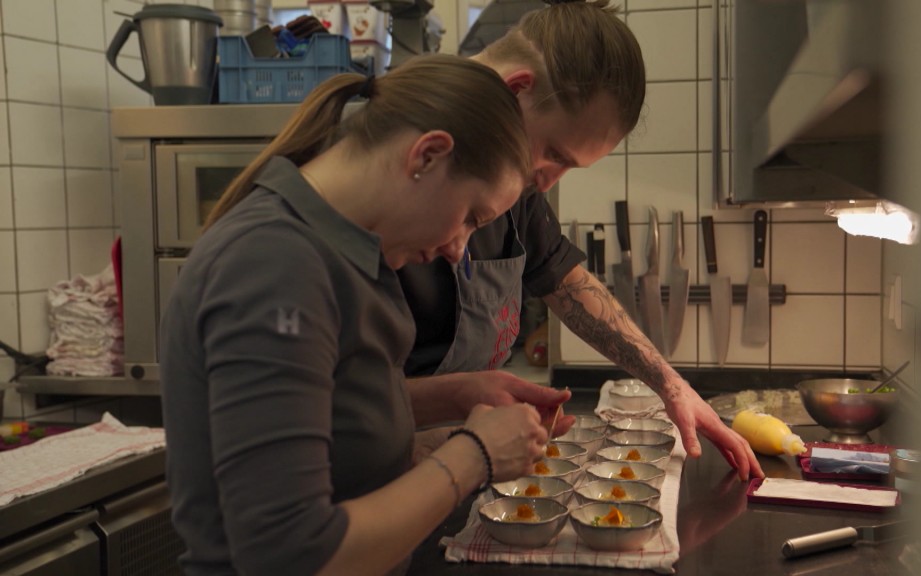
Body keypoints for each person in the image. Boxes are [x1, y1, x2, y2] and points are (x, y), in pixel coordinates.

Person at [159, 55, 554, 576]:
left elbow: (323, 408)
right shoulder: (272, 265)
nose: (461, 250)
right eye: (470, 218)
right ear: (428, 155)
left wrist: (453, 397)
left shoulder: (351, 252)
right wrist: (473, 454)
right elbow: (290, 553)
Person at [398, 0, 766, 480]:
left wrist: (669, 383)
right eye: (553, 154)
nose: (546, 183)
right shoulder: (398, 170)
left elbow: (565, 281)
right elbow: (329, 411)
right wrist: (450, 444)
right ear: (517, 93)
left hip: (458, 460)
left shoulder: (518, 176)